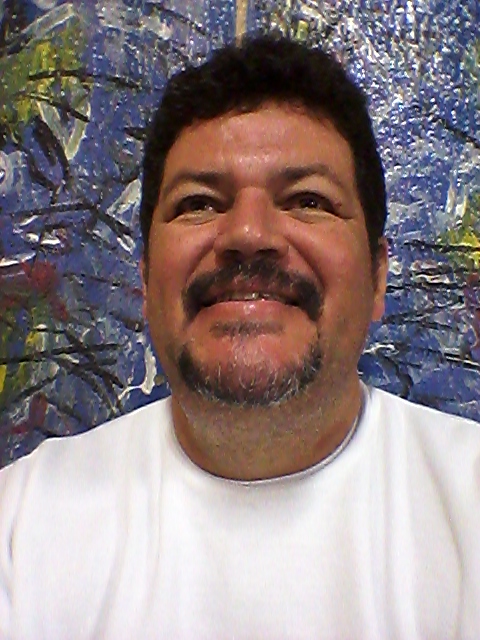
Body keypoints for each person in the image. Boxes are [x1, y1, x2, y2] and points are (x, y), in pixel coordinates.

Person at [0, 33, 479, 640]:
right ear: (144, 277)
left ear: (378, 276)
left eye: (307, 200)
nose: (249, 234)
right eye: (199, 203)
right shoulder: (22, 528)